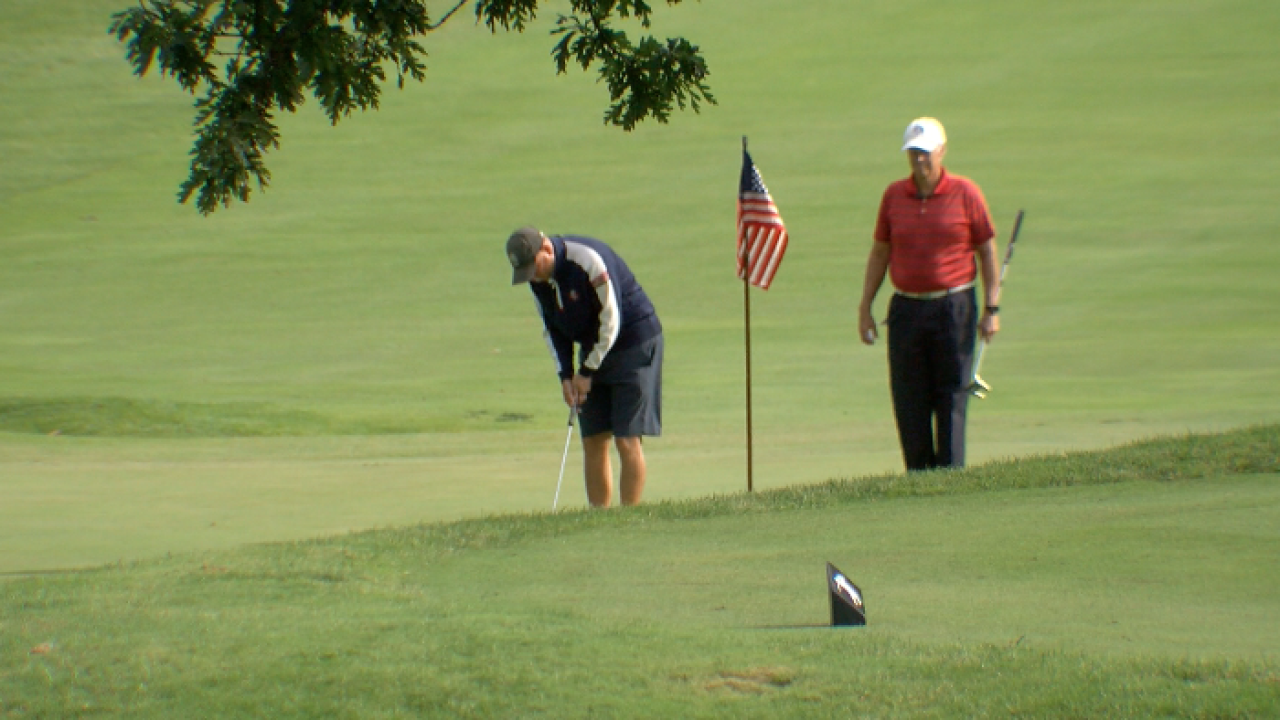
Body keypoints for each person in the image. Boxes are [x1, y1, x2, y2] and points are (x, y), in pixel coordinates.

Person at [856, 117, 1001, 471]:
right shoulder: (894, 196)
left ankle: (950, 480)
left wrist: (992, 308)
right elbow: (880, 252)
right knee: (909, 398)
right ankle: (919, 480)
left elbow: (986, 250)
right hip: (906, 307)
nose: (919, 160)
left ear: (941, 151)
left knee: (951, 396)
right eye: (913, 153)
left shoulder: (965, 193)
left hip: (954, 306)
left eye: (925, 153)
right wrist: (865, 307)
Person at [506, 226, 664, 507]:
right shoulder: (537, 280)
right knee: (593, 439)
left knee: (626, 439)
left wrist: (586, 372)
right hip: (594, 350)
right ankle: (599, 521)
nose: (533, 275)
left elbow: (611, 320)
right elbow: (552, 329)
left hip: (632, 343)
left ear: (546, 248)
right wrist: (566, 376)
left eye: (534, 266)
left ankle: (630, 518)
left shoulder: (586, 260)